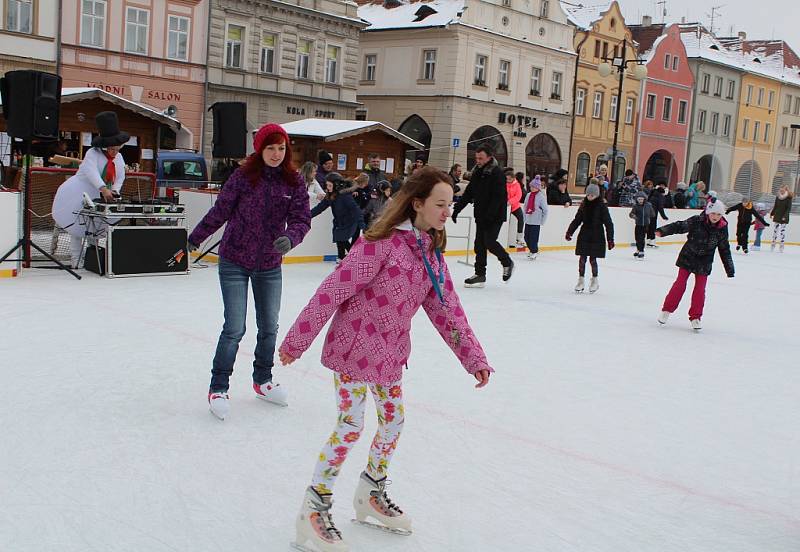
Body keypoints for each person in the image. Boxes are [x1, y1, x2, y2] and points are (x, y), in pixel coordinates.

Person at [279, 166, 493, 552]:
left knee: (393, 422)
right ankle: (314, 507)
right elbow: (332, 290)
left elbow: (449, 311)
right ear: (417, 204)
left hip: (389, 356)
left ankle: (370, 493)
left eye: (450, 204)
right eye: (440, 204)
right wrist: (297, 340)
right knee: (351, 426)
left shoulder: (430, 254)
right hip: (352, 350)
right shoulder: (381, 245)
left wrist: (473, 357)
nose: (448, 211)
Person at [187, 123, 311, 419]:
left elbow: (302, 220)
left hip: (269, 264)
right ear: (260, 148)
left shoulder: (293, 182)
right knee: (234, 327)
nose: (276, 154)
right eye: (270, 148)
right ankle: (218, 386)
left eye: (281, 148)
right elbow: (220, 212)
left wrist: (291, 237)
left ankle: (263, 380)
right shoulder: (243, 177)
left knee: (269, 326)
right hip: (234, 261)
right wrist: (193, 239)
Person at [52, 111, 128, 268]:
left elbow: (120, 175)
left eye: (117, 148)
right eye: (111, 149)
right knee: (77, 227)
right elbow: (91, 172)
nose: (115, 152)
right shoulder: (92, 154)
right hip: (79, 192)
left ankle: (92, 259)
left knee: (96, 226)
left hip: (99, 196)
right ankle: (76, 261)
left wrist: (114, 190)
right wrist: (102, 188)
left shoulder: (119, 158)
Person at [655, 200, 734, 331]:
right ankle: (666, 310)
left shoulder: (722, 227)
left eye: (719, 214)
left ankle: (696, 317)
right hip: (688, 256)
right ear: (708, 212)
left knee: (700, 288)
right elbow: (680, 226)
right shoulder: (697, 220)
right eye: (713, 213)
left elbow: (724, 248)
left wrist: (729, 268)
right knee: (680, 284)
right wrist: (663, 231)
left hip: (705, 261)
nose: (715, 217)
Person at [452, 144, 514, 287]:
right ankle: (480, 274)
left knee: (490, 242)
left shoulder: (497, 173)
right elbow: (469, 193)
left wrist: (490, 216)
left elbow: (498, 198)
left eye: (481, 158)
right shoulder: (478, 172)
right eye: (476, 158)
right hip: (480, 214)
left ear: (489, 157)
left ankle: (507, 262)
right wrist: (457, 209)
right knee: (479, 245)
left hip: (494, 215)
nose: (478, 161)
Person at [565, 180, 614, 294]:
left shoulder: (602, 206)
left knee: (592, 259)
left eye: (592, 195)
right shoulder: (584, 205)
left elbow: (608, 223)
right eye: (588, 195)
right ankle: (581, 280)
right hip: (585, 234)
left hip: (597, 235)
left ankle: (594, 280)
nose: (590, 197)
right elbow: (577, 220)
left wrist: (610, 239)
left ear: (597, 195)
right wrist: (570, 232)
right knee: (582, 258)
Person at [312, 172, 364, 262]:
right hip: (340, 221)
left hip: (350, 221)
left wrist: (362, 224)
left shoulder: (345, 196)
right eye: (327, 185)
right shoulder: (331, 195)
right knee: (339, 238)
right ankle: (344, 257)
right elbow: (320, 208)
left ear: (336, 185)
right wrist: (307, 215)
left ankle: (351, 258)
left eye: (329, 185)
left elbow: (355, 209)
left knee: (341, 238)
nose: (327, 188)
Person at [522, 175, 548, 259]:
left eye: (534, 187)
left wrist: (542, 221)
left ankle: (534, 251)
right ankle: (532, 250)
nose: (532, 188)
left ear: (538, 188)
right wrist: (524, 217)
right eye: (531, 186)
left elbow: (545, 210)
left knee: (533, 238)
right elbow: (525, 206)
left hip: (536, 221)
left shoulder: (541, 197)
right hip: (528, 220)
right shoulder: (528, 195)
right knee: (526, 237)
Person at [629, 191, 655, 259]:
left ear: (644, 199)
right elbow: (631, 214)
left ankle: (641, 251)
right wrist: (633, 216)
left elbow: (653, 214)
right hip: (638, 224)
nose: (640, 201)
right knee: (637, 238)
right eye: (639, 199)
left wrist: (649, 215)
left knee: (641, 238)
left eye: (641, 199)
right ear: (637, 199)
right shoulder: (636, 206)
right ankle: (638, 250)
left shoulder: (648, 205)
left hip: (645, 225)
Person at [505, 167, 525, 247]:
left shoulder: (517, 185)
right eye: (507, 179)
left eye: (509, 179)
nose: (508, 180)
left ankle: (519, 237)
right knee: (506, 222)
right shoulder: (504, 184)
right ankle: (505, 237)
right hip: (506, 206)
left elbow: (518, 196)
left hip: (515, 206)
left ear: (513, 178)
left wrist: (510, 201)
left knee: (521, 218)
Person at [770, 185, 793, 252]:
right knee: (775, 231)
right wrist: (772, 213)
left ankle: (781, 245)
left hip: (784, 217)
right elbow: (775, 206)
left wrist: (785, 216)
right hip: (777, 215)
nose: (781, 191)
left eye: (783, 190)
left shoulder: (789, 198)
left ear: (785, 190)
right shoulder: (778, 197)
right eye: (780, 190)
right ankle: (773, 244)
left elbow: (788, 209)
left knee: (782, 231)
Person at [646, 183, 669, 247]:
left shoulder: (652, 195)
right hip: (653, 214)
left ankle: (648, 241)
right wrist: (664, 216)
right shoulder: (659, 197)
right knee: (653, 227)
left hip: (648, 213)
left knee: (649, 227)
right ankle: (652, 242)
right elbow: (660, 208)